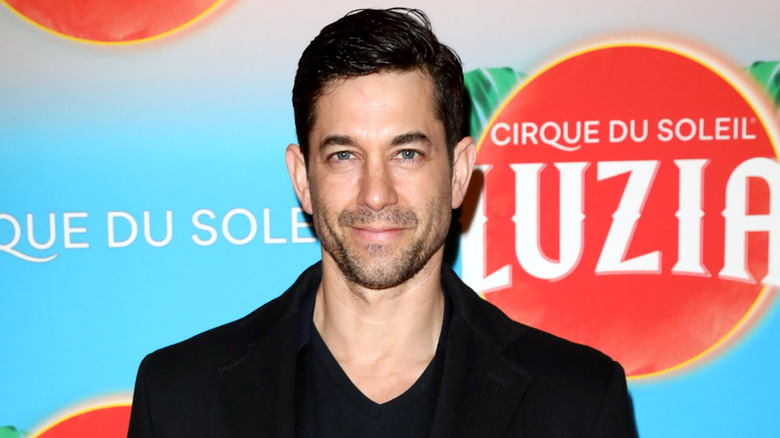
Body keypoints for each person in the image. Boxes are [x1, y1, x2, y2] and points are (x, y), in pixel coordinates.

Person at [128, 8, 638, 437]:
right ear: (302, 178)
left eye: (408, 153)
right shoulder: (179, 398)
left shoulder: (576, 403)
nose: (376, 193)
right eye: (345, 155)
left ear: (458, 173)